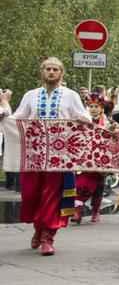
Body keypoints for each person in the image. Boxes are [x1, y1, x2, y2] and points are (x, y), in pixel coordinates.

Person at [3, 57, 90, 255]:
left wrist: (81, 119)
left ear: (61, 73)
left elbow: (86, 117)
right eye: (48, 69)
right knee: (32, 194)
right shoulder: (31, 95)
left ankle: (47, 237)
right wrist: (5, 114)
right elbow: (18, 119)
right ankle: (38, 228)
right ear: (42, 72)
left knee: (52, 195)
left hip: (60, 155)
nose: (51, 72)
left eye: (55, 69)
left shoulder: (71, 95)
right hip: (34, 154)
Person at [73, 91, 109, 224]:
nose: (93, 109)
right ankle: (77, 210)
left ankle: (95, 211)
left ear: (101, 108)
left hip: (101, 159)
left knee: (98, 187)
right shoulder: (82, 120)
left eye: (96, 107)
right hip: (85, 158)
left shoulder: (107, 122)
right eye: (91, 106)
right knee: (82, 183)